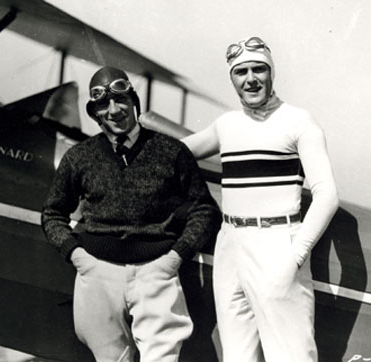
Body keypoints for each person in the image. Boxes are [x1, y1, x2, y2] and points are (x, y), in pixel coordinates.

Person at [41, 66, 221, 362]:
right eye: (103, 104)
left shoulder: (171, 151)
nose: (114, 110)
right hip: (97, 272)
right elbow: (52, 213)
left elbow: (205, 209)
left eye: (121, 100)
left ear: (134, 102)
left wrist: (175, 257)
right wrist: (77, 256)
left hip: (156, 273)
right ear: (95, 113)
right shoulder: (80, 157)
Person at [182, 37, 339, 362]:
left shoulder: (299, 121)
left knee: (291, 355)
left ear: (272, 74)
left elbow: (327, 195)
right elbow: (174, 153)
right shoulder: (227, 125)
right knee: (237, 356)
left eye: (259, 69)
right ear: (232, 79)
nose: (250, 79)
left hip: (278, 245)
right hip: (230, 246)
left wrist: (295, 256)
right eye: (241, 72)